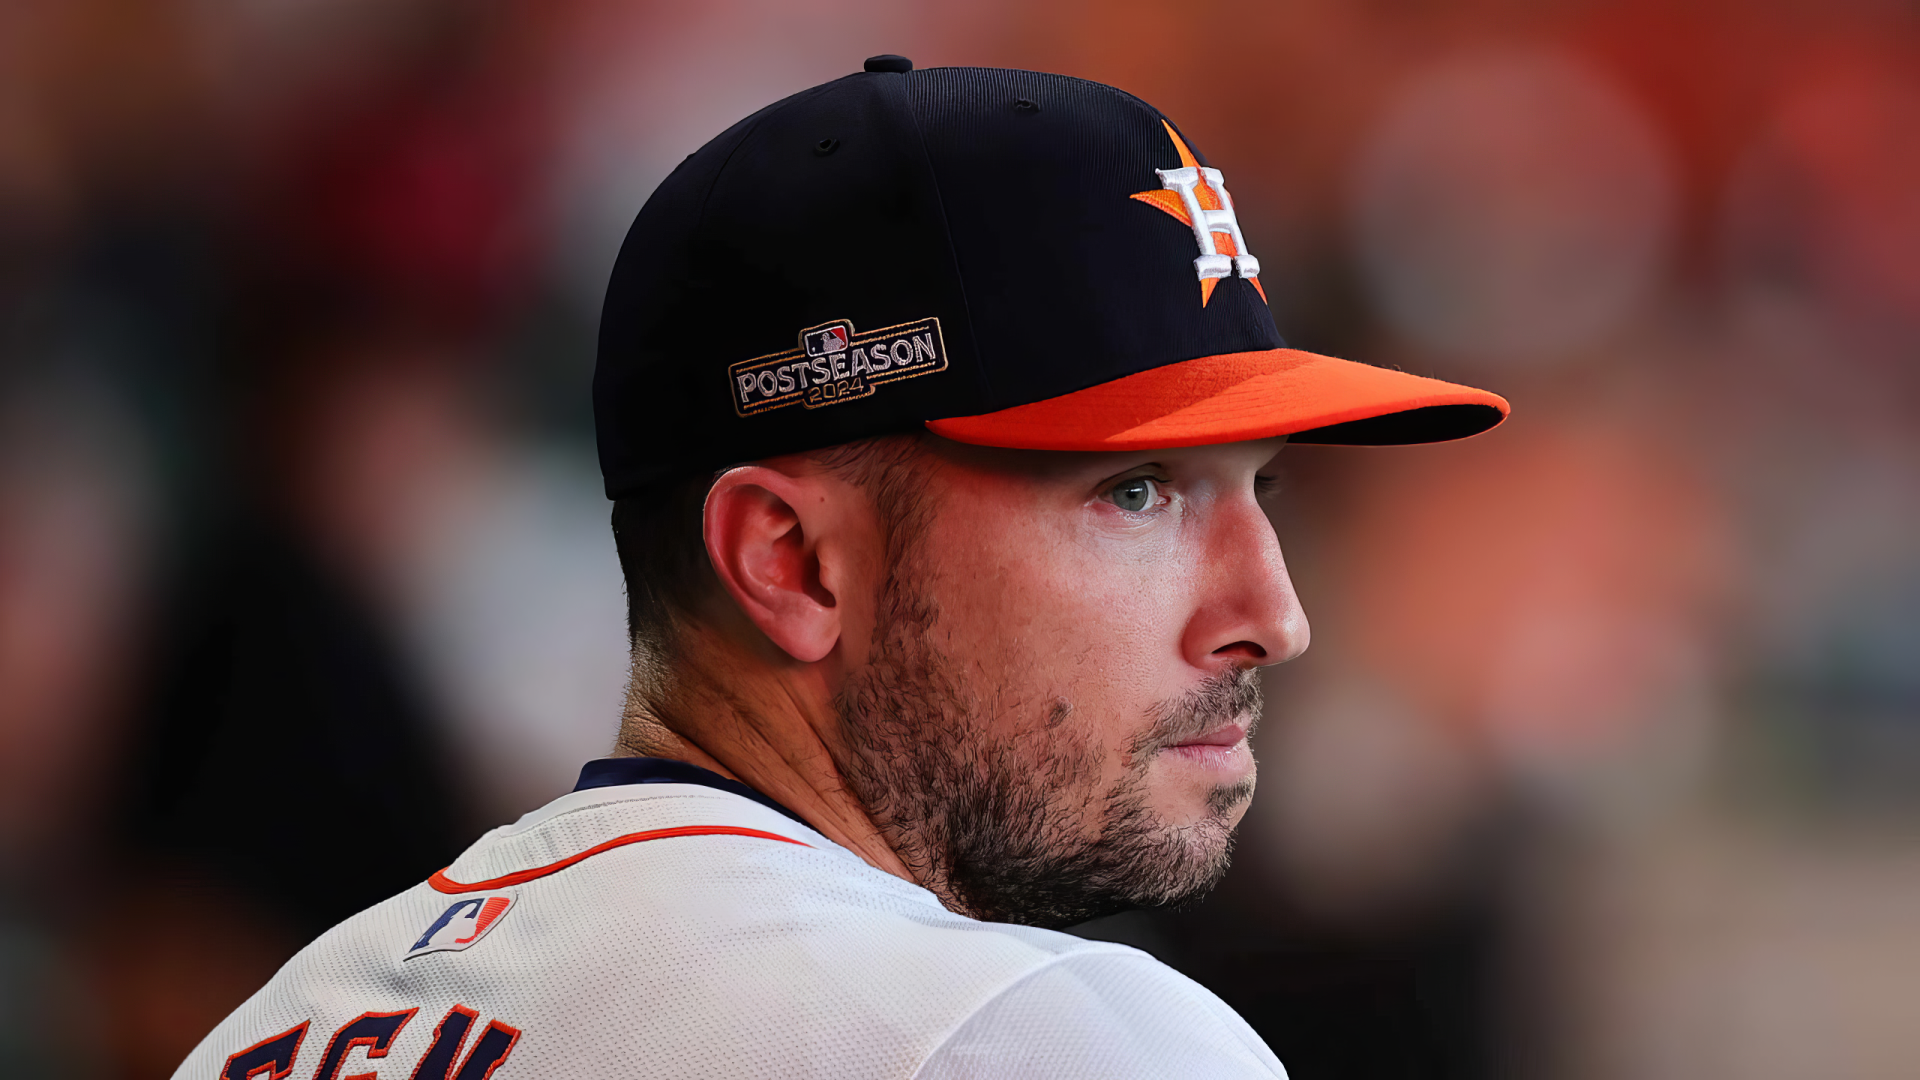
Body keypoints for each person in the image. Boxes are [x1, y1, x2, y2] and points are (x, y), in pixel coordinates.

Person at [172, 57, 1505, 1080]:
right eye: (1136, 492)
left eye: (1258, 488)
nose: (1272, 616)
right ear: (792, 560)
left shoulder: (283, 1022)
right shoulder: (1037, 1036)